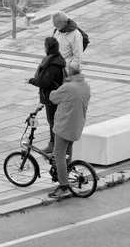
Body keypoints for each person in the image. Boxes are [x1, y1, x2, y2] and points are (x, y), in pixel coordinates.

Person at [48, 61, 91, 199]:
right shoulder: (86, 86)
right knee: (68, 152)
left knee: (59, 156)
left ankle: (63, 186)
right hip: (77, 126)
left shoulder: (68, 87)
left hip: (64, 127)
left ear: (69, 72)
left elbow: (53, 98)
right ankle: (66, 174)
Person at [26, 37, 66, 154]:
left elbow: (44, 82)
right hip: (53, 96)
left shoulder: (52, 64)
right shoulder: (56, 59)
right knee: (54, 121)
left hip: (52, 97)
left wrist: (32, 80)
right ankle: (54, 144)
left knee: (53, 122)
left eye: (45, 46)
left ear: (48, 48)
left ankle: (54, 146)